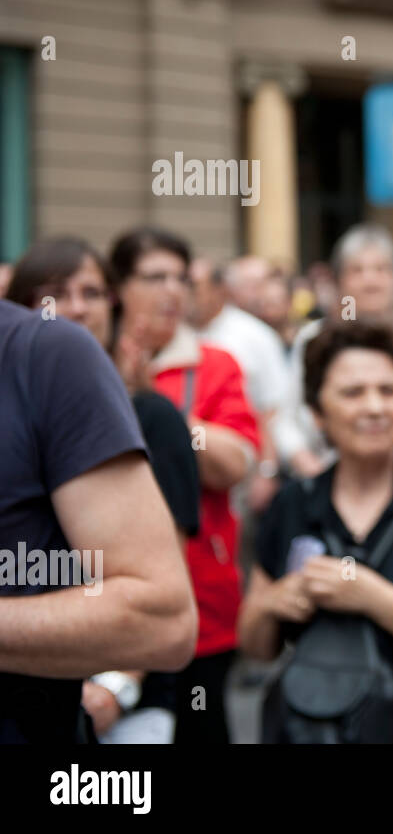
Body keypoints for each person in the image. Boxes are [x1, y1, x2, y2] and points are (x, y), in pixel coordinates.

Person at [238, 319, 393, 742]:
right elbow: (256, 647)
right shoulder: (295, 502)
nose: (375, 407)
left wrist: (369, 595)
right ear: (317, 413)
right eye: (353, 393)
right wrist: (273, 604)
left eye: (389, 391)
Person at [6, 237, 201, 743]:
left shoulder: (148, 412)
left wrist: (118, 686)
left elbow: (163, 601)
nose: (75, 307)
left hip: (113, 696)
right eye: (55, 293)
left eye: (91, 292)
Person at [109, 227, 260, 743]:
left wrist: (160, 412)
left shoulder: (213, 365)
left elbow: (236, 463)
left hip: (201, 605)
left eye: (180, 277)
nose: (172, 290)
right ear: (118, 288)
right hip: (109, 600)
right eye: (154, 277)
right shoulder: (87, 362)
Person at [274, 224, 393, 479]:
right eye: (357, 270)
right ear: (338, 281)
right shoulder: (313, 339)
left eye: (381, 269)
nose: (371, 281)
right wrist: (313, 472)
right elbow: (287, 421)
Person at [191, 256, 289, 515]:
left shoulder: (254, 336)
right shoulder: (178, 333)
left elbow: (272, 408)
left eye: (195, 287)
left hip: (245, 468)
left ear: (218, 290)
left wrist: (267, 471)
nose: (187, 295)